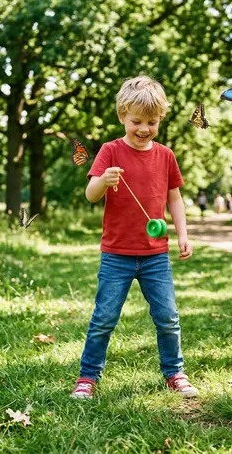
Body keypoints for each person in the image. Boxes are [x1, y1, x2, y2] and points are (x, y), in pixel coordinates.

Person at [71, 76, 198, 400]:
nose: (144, 128)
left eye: (152, 122)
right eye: (136, 121)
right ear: (122, 116)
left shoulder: (166, 155)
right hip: (117, 255)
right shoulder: (110, 151)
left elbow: (174, 199)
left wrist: (182, 235)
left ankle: (175, 373)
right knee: (104, 318)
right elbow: (90, 195)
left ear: (161, 120)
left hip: (155, 254)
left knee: (168, 317)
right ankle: (88, 377)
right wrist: (103, 179)